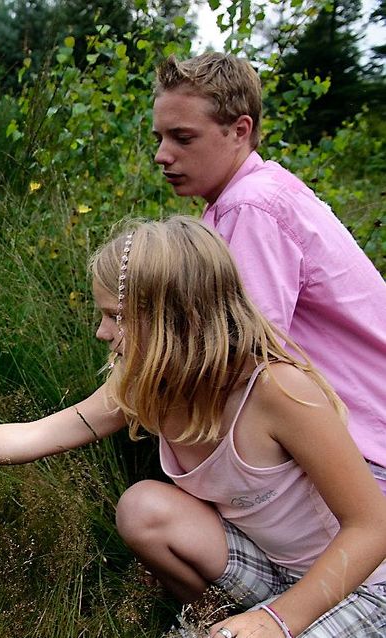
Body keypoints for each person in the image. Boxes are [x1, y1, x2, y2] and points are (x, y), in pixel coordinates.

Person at [0, 216, 386, 637]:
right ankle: (219, 620)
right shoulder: (146, 384)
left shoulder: (280, 392)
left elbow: (373, 527)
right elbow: (39, 433)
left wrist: (277, 620)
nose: (101, 332)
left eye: (115, 316)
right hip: (270, 562)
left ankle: (257, 622)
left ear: (174, 316)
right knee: (142, 507)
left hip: (360, 580)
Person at [151, 52, 386, 495]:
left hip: (366, 447)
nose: (162, 155)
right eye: (160, 137)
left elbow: (244, 356)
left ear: (240, 130)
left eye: (182, 137)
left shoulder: (251, 206)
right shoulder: (236, 202)